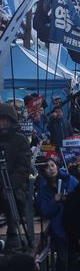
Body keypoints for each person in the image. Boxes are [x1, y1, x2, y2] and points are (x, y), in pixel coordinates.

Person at [0, 103, 32, 252]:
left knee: (12, 197)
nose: (2, 124)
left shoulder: (20, 140)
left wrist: (10, 185)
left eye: (5, 120)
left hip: (14, 185)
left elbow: (23, 167)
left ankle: (13, 233)